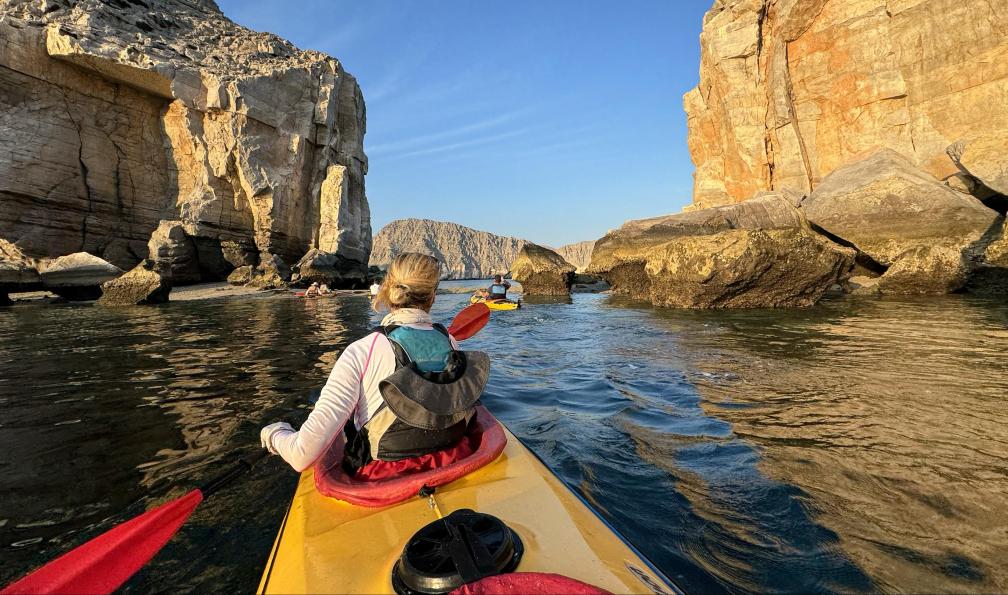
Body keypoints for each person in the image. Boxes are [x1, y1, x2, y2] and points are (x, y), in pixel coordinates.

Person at [260, 252, 489, 475]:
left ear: (387, 289)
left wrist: (274, 434)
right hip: (454, 459)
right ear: (433, 296)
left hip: (384, 475)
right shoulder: (450, 342)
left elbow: (302, 455)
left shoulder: (362, 350)